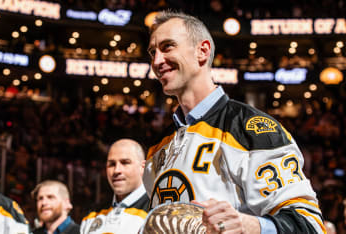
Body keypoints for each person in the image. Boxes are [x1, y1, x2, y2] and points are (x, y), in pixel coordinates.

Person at [144, 10, 325, 234]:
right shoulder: (157, 147)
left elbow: (311, 226)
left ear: (202, 51)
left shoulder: (252, 128)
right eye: (152, 52)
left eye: (167, 47)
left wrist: (251, 226)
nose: (157, 60)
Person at [80, 139, 149, 234]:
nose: (116, 170)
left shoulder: (158, 213)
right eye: (111, 164)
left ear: (143, 167)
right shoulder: (92, 215)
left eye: (125, 162)